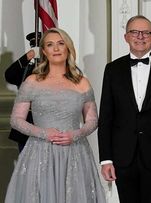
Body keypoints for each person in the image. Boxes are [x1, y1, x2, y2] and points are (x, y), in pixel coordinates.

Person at [5, 28, 106, 203]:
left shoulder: (82, 83)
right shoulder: (32, 81)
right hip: (39, 152)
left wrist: (74, 135)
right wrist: (44, 133)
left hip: (75, 152)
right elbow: (16, 120)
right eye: (50, 45)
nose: (56, 49)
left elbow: (92, 120)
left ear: (68, 48)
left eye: (60, 44)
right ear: (43, 51)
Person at [97, 15, 151, 203]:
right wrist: (106, 159)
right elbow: (106, 117)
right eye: (135, 32)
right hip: (123, 159)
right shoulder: (112, 69)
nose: (140, 37)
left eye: (146, 33)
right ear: (126, 37)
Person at [4, 32, 41, 152]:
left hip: (46, 124)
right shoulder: (26, 70)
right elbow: (9, 75)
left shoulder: (54, 70)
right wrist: (27, 57)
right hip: (26, 124)